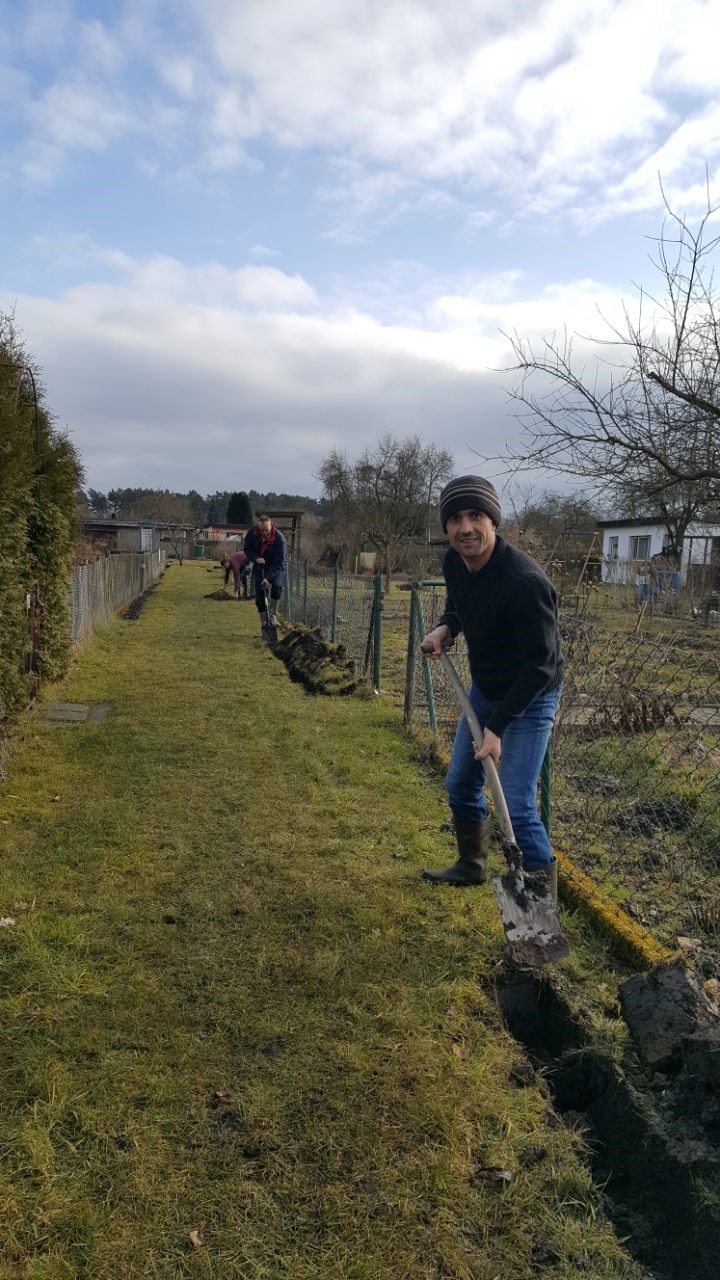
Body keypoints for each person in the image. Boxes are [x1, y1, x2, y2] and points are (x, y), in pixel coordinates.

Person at [421, 475, 564, 900]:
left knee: (517, 804)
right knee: (460, 785)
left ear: (493, 520)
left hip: (531, 695)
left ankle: (542, 909)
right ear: (446, 527)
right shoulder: (454, 562)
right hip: (486, 687)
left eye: (476, 515)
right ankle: (472, 864)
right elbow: (459, 607)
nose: (465, 527)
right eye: (455, 518)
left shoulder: (524, 582)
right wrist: (446, 629)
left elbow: (540, 666)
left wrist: (496, 728)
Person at [243, 514, 288, 636]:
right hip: (259, 567)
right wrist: (256, 558)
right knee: (259, 595)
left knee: (277, 586)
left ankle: (273, 615)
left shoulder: (279, 539)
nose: (264, 533)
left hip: (276, 567)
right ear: (258, 527)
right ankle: (263, 621)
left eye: (266, 531)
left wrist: (268, 578)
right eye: (261, 531)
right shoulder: (252, 533)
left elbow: (279, 562)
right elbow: (247, 549)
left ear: (271, 526)